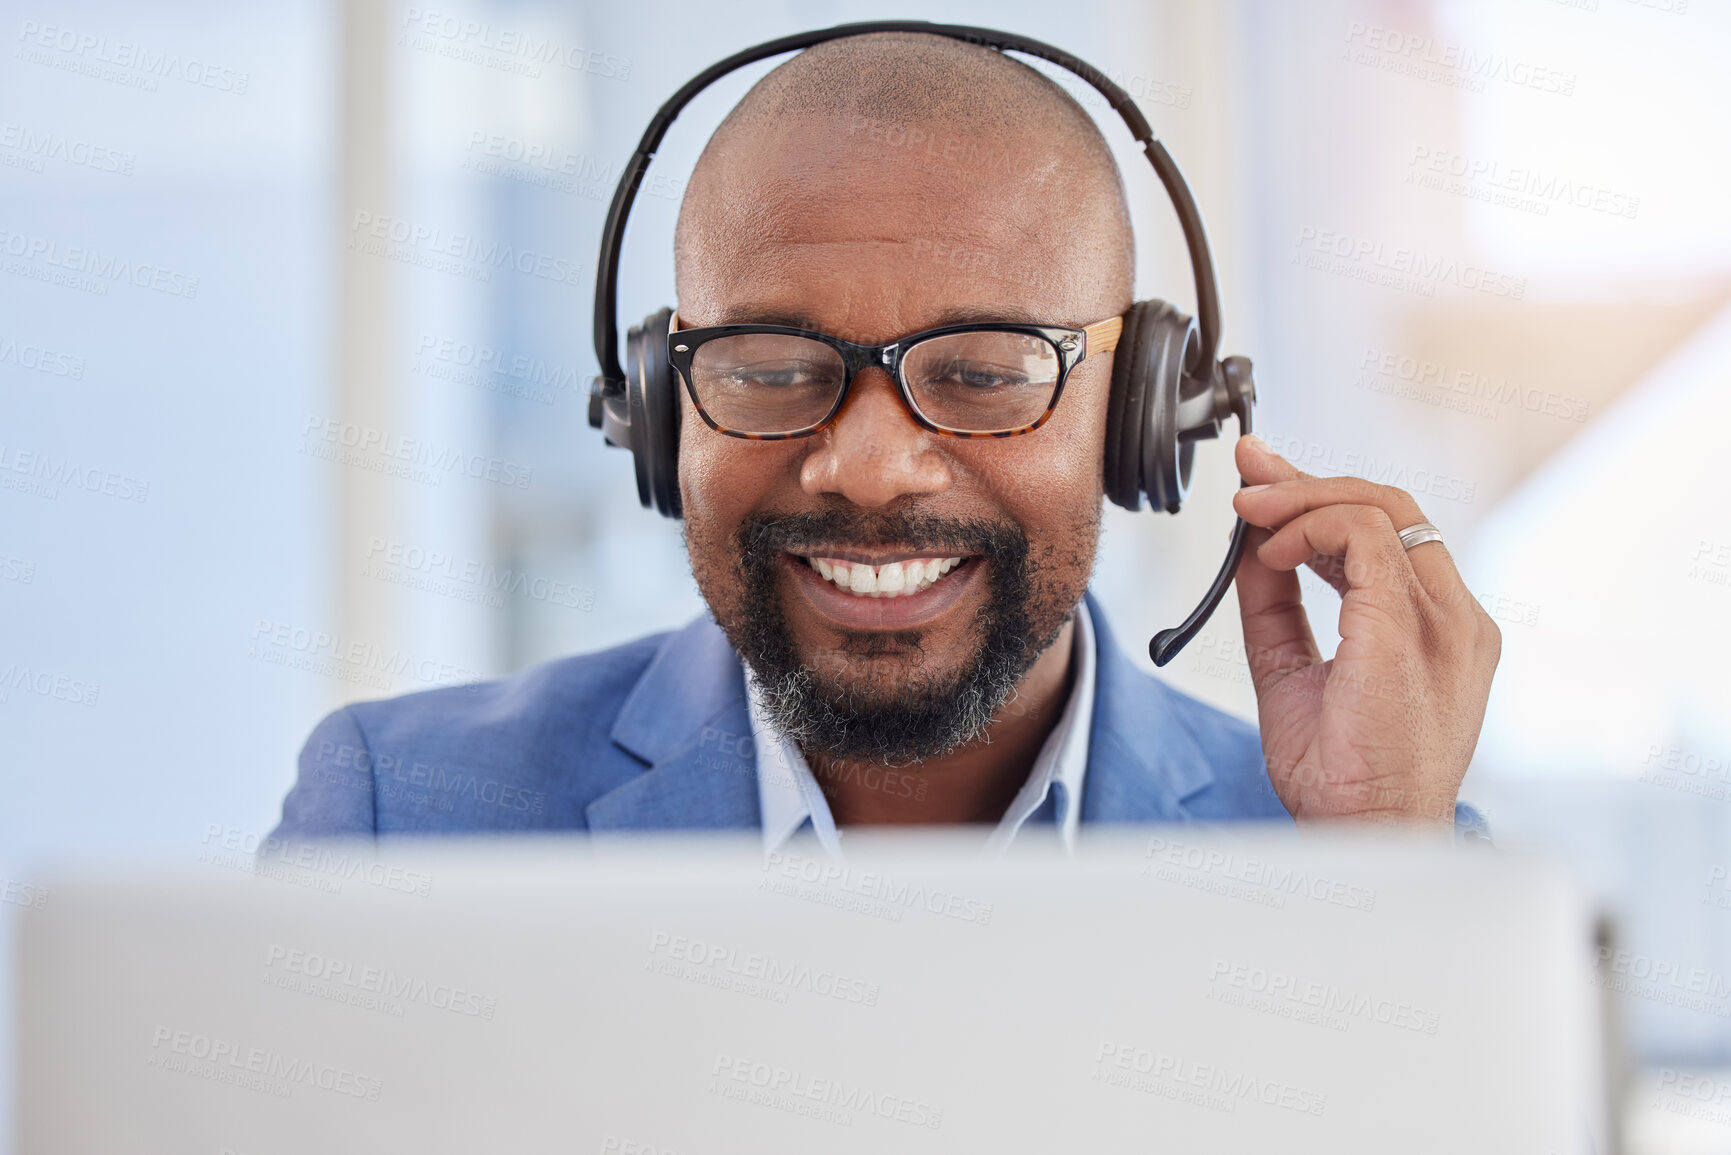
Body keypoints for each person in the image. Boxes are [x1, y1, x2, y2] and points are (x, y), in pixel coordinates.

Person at [272, 32, 1500, 853]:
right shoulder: (405, 819)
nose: (866, 465)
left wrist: (1375, 884)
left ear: (1139, 418)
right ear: (653, 408)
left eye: (978, 374)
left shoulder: (1362, 846)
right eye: (768, 369)